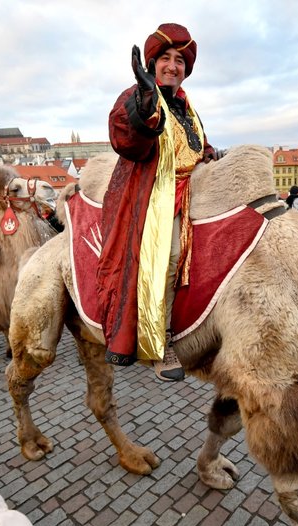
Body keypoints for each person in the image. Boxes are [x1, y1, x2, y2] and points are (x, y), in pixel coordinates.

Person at [97, 23, 217, 382]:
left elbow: (198, 145)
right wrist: (146, 98)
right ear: (151, 63)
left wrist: (210, 154)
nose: (172, 66)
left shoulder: (186, 105)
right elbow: (127, 138)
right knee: (169, 259)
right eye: (165, 58)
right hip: (154, 199)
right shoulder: (139, 97)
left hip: (195, 190)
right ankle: (159, 340)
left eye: (180, 60)